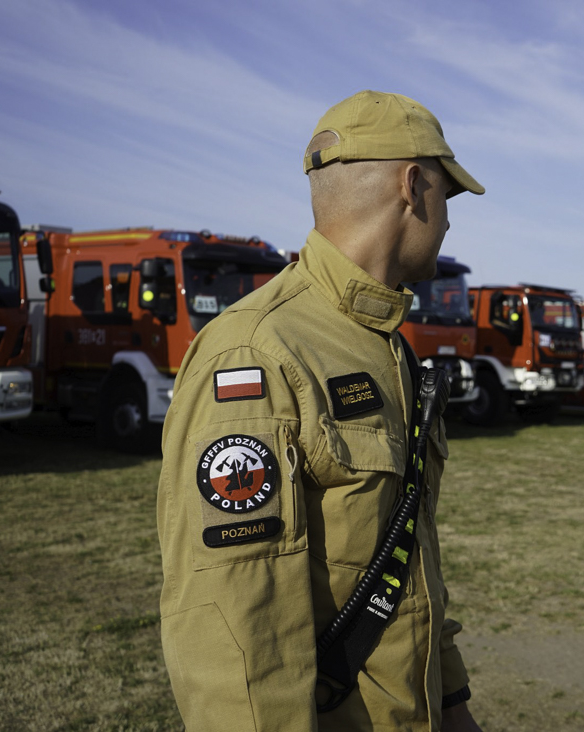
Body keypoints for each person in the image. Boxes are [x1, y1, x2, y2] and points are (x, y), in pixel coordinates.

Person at [157, 90, 485, 732]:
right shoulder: (257, 352)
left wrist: (452, 701)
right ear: (413, 187)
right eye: (448, 196)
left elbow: (404, 556)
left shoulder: (382, 344)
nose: (448, 222)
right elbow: (235, 627)